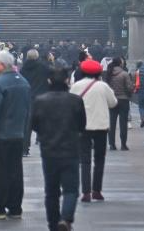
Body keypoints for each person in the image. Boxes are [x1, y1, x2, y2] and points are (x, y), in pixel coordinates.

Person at [33, 67, 86, 231]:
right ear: (67, 81)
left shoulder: (40, 100)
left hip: (49, 151)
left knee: (51, 191)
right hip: (70, 150)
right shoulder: (76, 100)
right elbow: (82, 125)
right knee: (71, 190)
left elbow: (34, 124)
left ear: (49, 81)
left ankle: (53, 224)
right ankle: (66, 218)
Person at [0, 50, 31, 220]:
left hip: (1, 135)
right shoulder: (23, 82)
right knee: (16, 172)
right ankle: (15, 208)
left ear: (2, 65)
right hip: (18, 134)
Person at [70, 59, 116, 203]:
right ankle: (97, 190)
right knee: (99, 159)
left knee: (85, 160)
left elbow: (71, 104)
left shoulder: (76, 86)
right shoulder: (103, 86)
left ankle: (86, 192)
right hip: (101, 126)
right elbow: (113, 103)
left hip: (83, 127)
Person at [19, 48, 51, 155]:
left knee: (27, 124)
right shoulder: (43, 67)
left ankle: (24, 148)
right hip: (42, 97)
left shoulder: (23, 68)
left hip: (27, 97)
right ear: (37, 56)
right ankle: (43, 143)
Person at [105, 57, 132, 151]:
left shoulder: (109, 73)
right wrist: (130, 92)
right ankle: (123, 144)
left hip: (112, 100)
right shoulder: (124, 74)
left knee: (112, 123)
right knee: (123, 123)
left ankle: (112, 144)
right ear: (120, 63)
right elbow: (129, 87)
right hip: (123, 100)